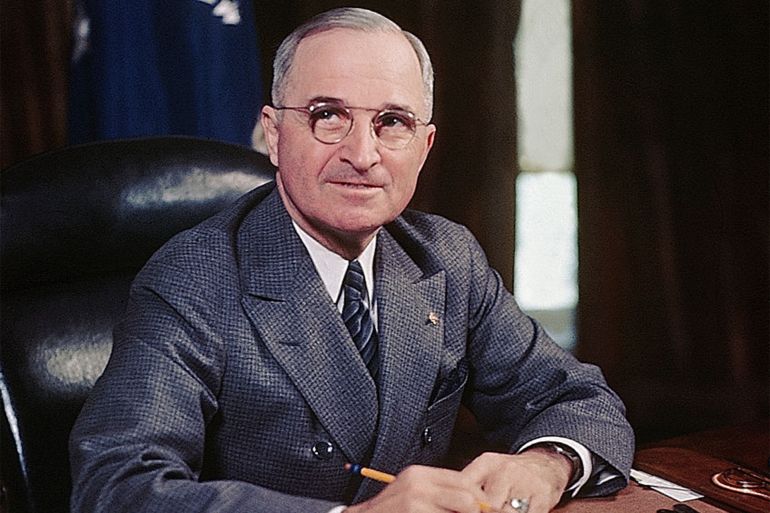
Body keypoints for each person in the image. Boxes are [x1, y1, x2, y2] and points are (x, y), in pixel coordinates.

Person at [69, 7, 634, 513]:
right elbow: (117, 487)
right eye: (328, 115)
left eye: (392, 123)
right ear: (273, 132)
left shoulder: (446, 259)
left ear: (424, 146)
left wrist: (545, 464)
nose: (362, 156)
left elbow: (580, 399)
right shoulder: (194, 278)